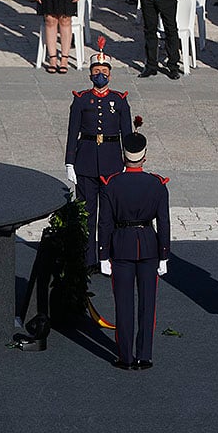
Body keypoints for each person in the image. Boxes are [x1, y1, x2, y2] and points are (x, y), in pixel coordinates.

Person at [101, 131, 170, 370]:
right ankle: (144, 355)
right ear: (144, 156)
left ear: (123, 156)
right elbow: (163, 223)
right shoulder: (157, 185)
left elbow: (105, 223)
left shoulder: (111, 185)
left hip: (121, 247)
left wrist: (102, 254)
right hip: (149, 247)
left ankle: (125, 356)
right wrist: (164, 255)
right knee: (147, 304)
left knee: (123, 304)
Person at [65, 42, 133, 271]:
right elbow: (73, 132)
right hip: (85, 161)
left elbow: (127, 134)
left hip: (112, 161)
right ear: (90, 75)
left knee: (108, 214)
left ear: (110, 76)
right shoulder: (81, 99)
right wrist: (69, 162)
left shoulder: (120, 100)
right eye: (96, 72)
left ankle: (106, 257)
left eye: (104, 72)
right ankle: (87, 258)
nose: (100, 76)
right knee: (87, 213)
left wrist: (129, 161)